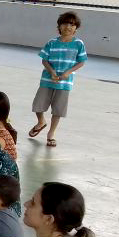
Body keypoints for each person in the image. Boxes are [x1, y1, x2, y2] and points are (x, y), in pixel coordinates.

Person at [29, 12, 87, 148]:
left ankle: (51, 134)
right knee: (38, 105)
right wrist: (51, 71)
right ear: (59, 27)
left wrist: (68, 72)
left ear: (76, 28)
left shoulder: (79, 44)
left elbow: (81, 62)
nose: (68, 27)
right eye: (65, 23)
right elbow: (44, 60)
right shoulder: (52, 42)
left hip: (65, 83)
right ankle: (41, 121)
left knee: (58, 110)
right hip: (47, 80)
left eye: (72, 25)